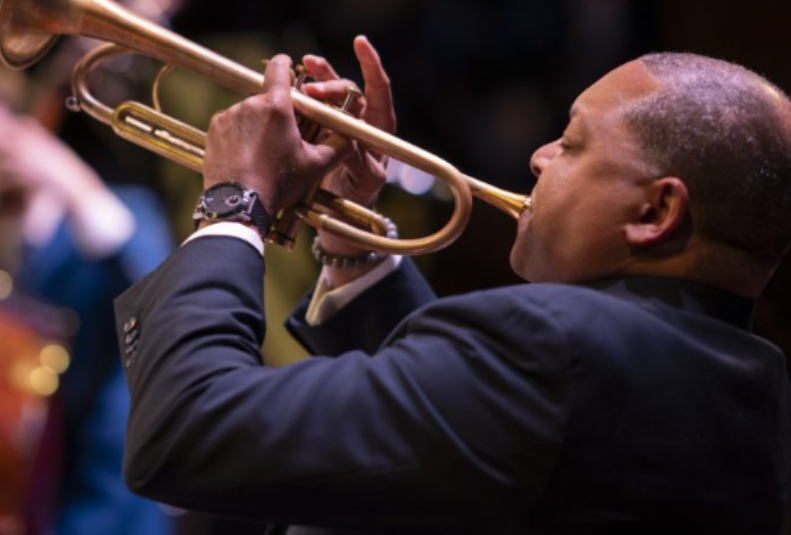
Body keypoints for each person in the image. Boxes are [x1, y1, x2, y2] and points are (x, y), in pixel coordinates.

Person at [114, 38, 791, 533]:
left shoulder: (550, 348)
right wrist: (352, 237)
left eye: (572, 142)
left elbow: (187, 429)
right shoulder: (745, 380)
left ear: (654, 212)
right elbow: (474, 435)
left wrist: (234, 203)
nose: (537, 156)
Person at [0, 103, 174, 535]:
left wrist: (74, 185)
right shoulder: (10, 242)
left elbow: (157, 291)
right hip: (38, 481)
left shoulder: (122, 208)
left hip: (110, 476)